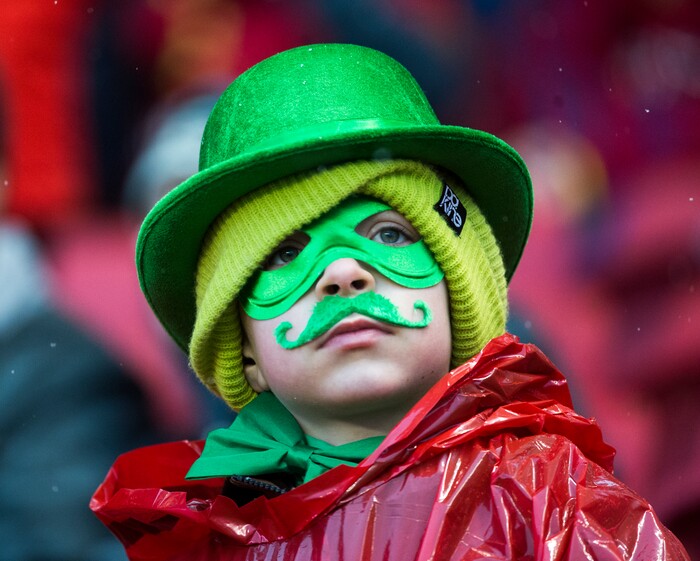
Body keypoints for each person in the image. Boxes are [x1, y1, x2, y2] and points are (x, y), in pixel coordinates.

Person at [91, 43, 690, 560]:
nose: (344, 273)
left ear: (461, 301)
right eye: (284, 255)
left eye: (389, 236)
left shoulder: (555, 505)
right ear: (244, 349)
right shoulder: (198, 532)